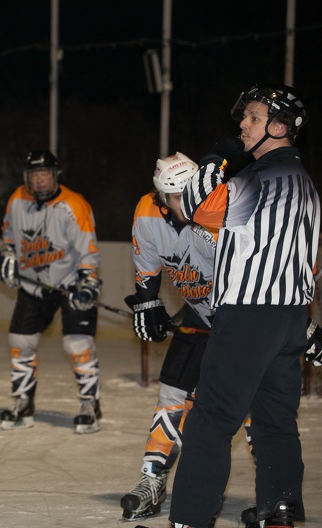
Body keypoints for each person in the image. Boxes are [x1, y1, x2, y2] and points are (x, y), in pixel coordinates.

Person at [166, 84, 319, 528]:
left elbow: (196, 207)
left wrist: (216, 158)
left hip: (250, 312)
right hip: (290, 316)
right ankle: (280, 508)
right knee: (275, 419)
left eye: (252, 117)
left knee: (211, 420)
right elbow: (308, 259)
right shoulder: (306, 183)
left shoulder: (256, 178)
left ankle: (189, 521)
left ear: (278, 126)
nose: (242, 125)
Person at [121, 152, 255, 521]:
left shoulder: (221, 211)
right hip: (198, 312)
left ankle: (273, 491)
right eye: (175, 196)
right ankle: (153, 478)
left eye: (189, 193)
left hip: (240, 316)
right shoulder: (146, 213)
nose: (185, 203)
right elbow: (147, 269)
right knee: (173, 392)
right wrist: (147, 304)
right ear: (160, 197)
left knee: (251, 406)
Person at [0, 150, 102, 433]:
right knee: (20, 341)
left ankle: (90, 403)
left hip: (69, 285)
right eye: (35, 175)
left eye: (46, 174)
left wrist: (87, 281)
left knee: (76, 344)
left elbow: (88, 250)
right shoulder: (16, 200)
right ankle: (24, 401)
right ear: (27, 177)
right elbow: (9, 236)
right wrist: (7, 253)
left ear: (55, 176)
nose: (41, 181)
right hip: (33, 286)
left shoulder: (74, 205)